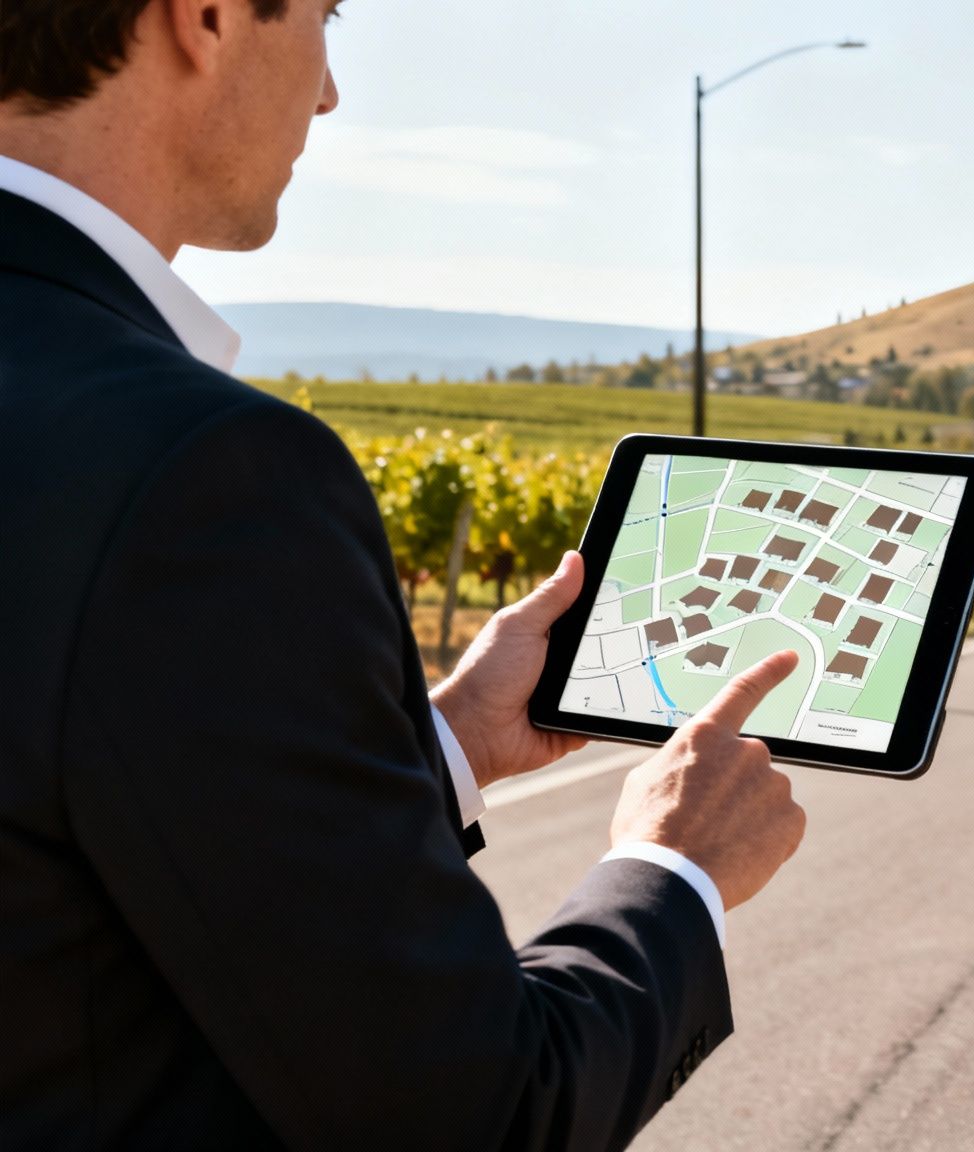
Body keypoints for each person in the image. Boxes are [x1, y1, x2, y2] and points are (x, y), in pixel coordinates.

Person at [0, 1, 808, 1147]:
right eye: (326, 17)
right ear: (208, 17)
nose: (328, 93)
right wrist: (672, 868)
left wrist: (450, 740)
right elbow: (474, 1114)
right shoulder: (200, 473)